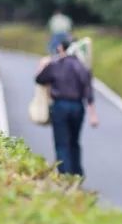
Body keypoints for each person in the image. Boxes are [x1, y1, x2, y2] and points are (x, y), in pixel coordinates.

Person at [35, 35, 99, 176]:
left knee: (62, 142)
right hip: (77, 107)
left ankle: (65, 175)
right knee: (74, 141)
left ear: (61, 48)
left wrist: (41, 66)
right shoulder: (82, 66)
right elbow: (88, 91)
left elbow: (39, 79)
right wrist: (93, 115)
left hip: (60, 106)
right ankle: (77, 173)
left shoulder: (55, 64)